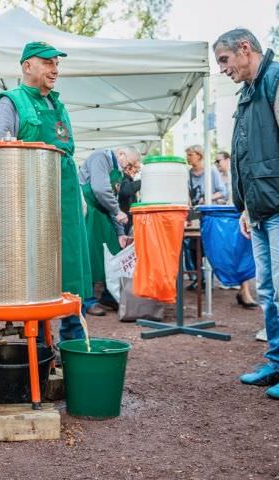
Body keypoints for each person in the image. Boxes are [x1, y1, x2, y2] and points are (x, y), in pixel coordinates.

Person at [0, 41, 92, 341]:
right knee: (34, 271)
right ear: (27, 66)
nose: (55, 69)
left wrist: (80, 199)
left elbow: (68, 153)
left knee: (72, 268)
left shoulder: (58, 105)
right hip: (32, 202)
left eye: (57, 63)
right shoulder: (10, 102)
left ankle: (73, 340)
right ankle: (37, 343)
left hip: (67, 200)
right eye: (47, 62)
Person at [214, 28, 279, 399]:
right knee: (268, 292)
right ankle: (275, 362)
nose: (223, 68)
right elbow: (246, 156)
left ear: (244, 49)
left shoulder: (275, 79)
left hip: (278, 206)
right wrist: (245, 207)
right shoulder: (248, 93)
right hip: (260, 209)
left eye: (224, 60)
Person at [78, 147, 140, 316]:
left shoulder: (118, 173)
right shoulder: (101, 157)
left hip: (103, 212)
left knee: (114, 248)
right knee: (90, 254)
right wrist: (118, 212)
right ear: (121, 154)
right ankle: (87, 300)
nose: (128, 169)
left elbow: (113, 203)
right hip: (87, 211)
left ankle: (108, 295)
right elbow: (100, 190)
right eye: (129, 164)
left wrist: (120, 233)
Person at [214, 151, 259, 310]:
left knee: (243, 253)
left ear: (228, 159)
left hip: (237, 216)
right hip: (228, 219)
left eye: (218, 160)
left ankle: (245, 291)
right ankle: (243, 290)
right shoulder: (219, 177)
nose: (217, 164)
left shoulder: (236, 173)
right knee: (236, 252)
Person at [185, 144, 227, 290]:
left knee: (209, 247)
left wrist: (208, 198)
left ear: (199, 155)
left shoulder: (211, 172)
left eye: (190, 154)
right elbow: (187, 194)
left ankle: (208, 279)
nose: (188, 157)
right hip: (194, 216)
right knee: (193, 248)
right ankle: (199, 278)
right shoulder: (188, 174)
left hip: (209, 216)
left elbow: (223, 192)